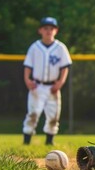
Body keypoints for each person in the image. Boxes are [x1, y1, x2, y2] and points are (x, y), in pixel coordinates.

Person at [22, 17, 72, 145]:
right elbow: (28, 66)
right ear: (40, 30)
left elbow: (65, 67)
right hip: (37, 86)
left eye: (51, 28)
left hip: (53, 87)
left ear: (56, 30)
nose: (48, 31)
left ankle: (49, 141)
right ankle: (26, 141)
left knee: (53, 115)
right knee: (33, 113)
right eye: (46, 28)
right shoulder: (35, 47)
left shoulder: (60, 47)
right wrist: (27, 80)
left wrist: (60, 82)